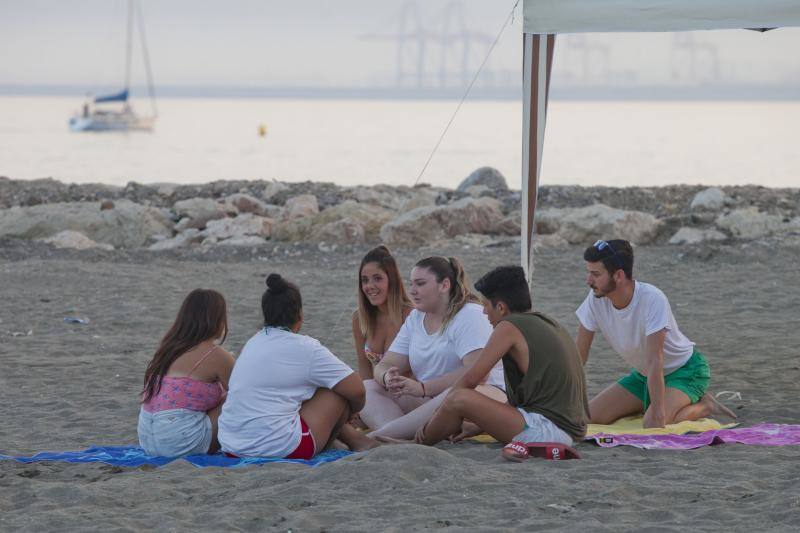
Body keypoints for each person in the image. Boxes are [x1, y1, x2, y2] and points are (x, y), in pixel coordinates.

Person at [415, 266, 589, 461]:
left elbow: (471, 379)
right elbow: (529, 397)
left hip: (550, 431)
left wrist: (435, 418)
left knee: (458, 398)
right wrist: (480, 425)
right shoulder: (548, 322)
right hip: (573, 430)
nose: (483, 312)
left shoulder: (508, 327)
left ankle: (416, 444)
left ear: (501, 308)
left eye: (486, 305)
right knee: (461, 399)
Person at [576, 239, 735, 428]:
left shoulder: (652, 298)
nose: (588, 281)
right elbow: (580, 355)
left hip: (685, 371)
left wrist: (658, 412)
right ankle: (653, 404)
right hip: (645, 375)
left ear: (618, 275)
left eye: (595, 274)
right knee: (587, 417)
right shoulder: (595, 299)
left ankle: (705, 406)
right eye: (589, 273)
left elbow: (655, 359)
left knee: (654, 423)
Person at [218, 274, 376, 459]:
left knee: (303, 390)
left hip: (231, 444)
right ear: (300, 315)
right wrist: (352, 410)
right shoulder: (305, 347)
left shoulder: (252, 343)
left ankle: (349, 440)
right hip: (278, 447)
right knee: (336, 391)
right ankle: (350, 442)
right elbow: (357, 390)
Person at [360, 256, 507, 440]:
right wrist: (386, 376)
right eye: (411, 284)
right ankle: (398, 435)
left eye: (420, 284)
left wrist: (423, 388)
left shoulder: (469, 314)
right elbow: (386, 363)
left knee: (454, 393)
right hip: (429, 401)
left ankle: (376, 438)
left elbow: (477, 374)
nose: (412, 291)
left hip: (478, 397)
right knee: (367, 388)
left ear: (444, 285)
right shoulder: (415, 318)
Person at [138, 289, 235, 457]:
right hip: (180, 441)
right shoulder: (216, 354)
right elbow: (243, 392)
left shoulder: (167, 349)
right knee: (239, 398)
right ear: (217, 320)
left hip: (147, 439)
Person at [352, 245, 414, 380]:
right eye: (365, 280)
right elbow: (364, 369)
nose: (370, 286)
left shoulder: (411, 315)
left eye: (377, 278)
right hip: (379, 389)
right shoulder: (360, 318)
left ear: (392, 280)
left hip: (411, 390)